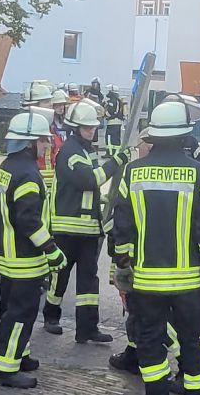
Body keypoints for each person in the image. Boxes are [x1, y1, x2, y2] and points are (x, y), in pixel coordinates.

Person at [113, 100, 200, 395]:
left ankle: (157, 389)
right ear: (185, 135)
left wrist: (123, 265)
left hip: (146, 281)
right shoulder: (198, 173)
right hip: (187, 282)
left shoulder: (132, 173)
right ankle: (197, 389)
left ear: (153, 136)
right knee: (192, 339)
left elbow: (122, 227)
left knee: (149, 339)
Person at [0, 111, 69, 389]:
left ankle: (18, 354)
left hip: (9, 256)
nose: (48, 146)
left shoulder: (7, 167)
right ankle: (4, 369)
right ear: (29, 143)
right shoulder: (28, 175)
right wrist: (52, 250)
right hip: (26, 259)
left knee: (10, 309)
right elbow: (28, 220)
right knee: (21, 313)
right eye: (44, 141)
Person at [42, 100, 131, 343]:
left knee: (89, 280)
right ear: (74, 128)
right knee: (60, 275)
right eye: (86, 128)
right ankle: (51, 317)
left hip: (89, 229)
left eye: (93, 128)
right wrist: (117, 162)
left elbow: (88, 189)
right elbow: (89, 180)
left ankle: (87, 328)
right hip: (66, 228)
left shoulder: (84, 151)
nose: (91, 132)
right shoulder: (70, 151)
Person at [104, 85, 125, 157]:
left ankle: (109, 153)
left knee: (109, 138)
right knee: (116, 139)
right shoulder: (119, 101)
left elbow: (110, 112)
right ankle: (116, 153)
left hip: (112, 123)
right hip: (118, 122)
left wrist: (105, 114)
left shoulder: (112, 101)